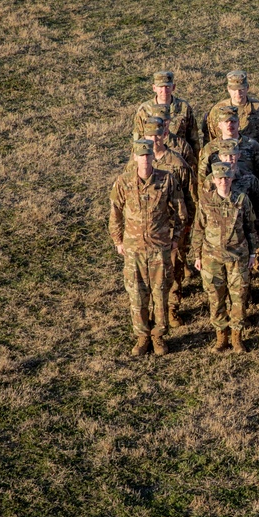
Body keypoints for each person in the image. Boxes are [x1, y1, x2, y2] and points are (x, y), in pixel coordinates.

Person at [108, 139, 187, 357]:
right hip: (134, 250)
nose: (144, 159)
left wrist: (175, 238)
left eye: (148, 155)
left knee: (160, 293)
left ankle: (159, 336)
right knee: (137, 294)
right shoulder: (123, 182)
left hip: (159, 249)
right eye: (140, 155)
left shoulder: (166, 180)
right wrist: (118, 240)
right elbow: (115, 212)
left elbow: (180, 211)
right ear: (134, 157)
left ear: (153, 156)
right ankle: (142, 336)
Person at [192, 162, 258, 353]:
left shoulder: (241, 199)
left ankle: (237, 336)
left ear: (231, 179)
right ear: (213, 179)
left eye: (227, 177)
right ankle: (221, 336)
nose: (223, 181)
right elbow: (198, 228)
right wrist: (197, 254)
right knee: (216, 296)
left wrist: (253, 253)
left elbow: (250, 228)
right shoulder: (205, 201)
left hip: (238, 257)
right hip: (212, 258)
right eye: (219, 178)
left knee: (238, 297)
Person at [142, 116, 196, 324]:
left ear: (165, 135)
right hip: (147, 228)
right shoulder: (138, 162)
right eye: (149, 135)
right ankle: (151, 310)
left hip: (173, 226)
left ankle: (172, 306)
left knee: (174, 267)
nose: (154, 139)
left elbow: (190, 196)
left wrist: (188, 224)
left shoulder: (177, 163)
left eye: (158, 134)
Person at [198, 106, 259, 189]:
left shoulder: (252, 146)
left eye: (233, 121)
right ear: (219, 125)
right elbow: (202, 180)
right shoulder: (210, 149)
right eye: (226, 122)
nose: (230, 125)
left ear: (238, 123)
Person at [132, 70, 200, 157]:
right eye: (160, 87)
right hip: (152, 158)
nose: (164, 91)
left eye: (167, 87)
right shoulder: (144, 110)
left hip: (179, 157)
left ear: (173, 87)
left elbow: (193, 139)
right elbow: (138, 139)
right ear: (154, 88)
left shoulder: (184, 107)